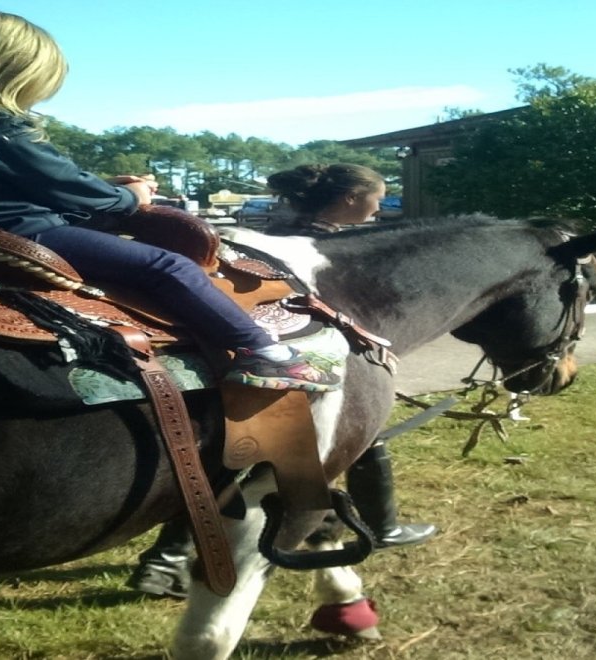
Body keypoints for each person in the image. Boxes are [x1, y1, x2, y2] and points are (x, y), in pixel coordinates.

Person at [0, 6, 338, 393]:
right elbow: (71, 190)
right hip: (16, 233)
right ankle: (263, 353)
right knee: (168, 267)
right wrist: (130, 194)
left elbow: (2, 183)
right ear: (7, 72)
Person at [128, 164, 437, 598]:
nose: (379, 207)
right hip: (289, 364)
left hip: (242, 360)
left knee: (231, 466)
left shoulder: (275, 233)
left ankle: (165, 561)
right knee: (344, 444)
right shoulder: (334, 250)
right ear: (351, 199)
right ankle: (382, 526)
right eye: (377, 197)